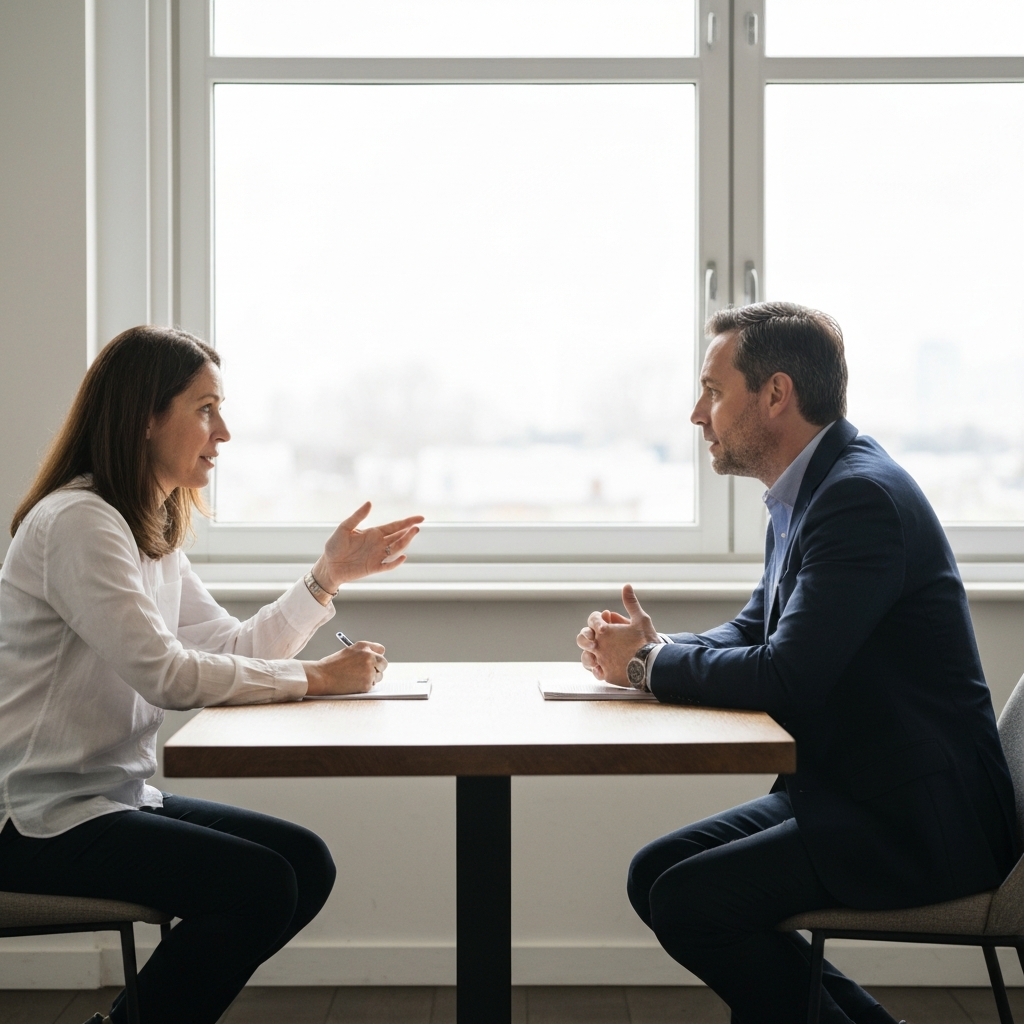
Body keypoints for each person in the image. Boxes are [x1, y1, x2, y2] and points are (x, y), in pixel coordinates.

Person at [576, 302, 1018, 1024]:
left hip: (920, 822)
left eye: (714, 392)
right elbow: (761, 626)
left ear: (776, 394)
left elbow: (787, 675)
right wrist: (656, 651)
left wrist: (647, 665)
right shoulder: (811, 488)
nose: (697, 413)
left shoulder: (856, 499)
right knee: (654, 875)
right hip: (856, 793)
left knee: (692, 902)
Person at [0, 325, 424, 1024]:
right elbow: (168, 675)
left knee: (303, 863)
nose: (222, 432)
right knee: (259, 885)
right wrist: (317, 681)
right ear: (145, 416)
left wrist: (326, 580)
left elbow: (231, 645)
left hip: (111, 799)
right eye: (205, 409)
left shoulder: (147, 528)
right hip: (36, 821)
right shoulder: (79, 523)